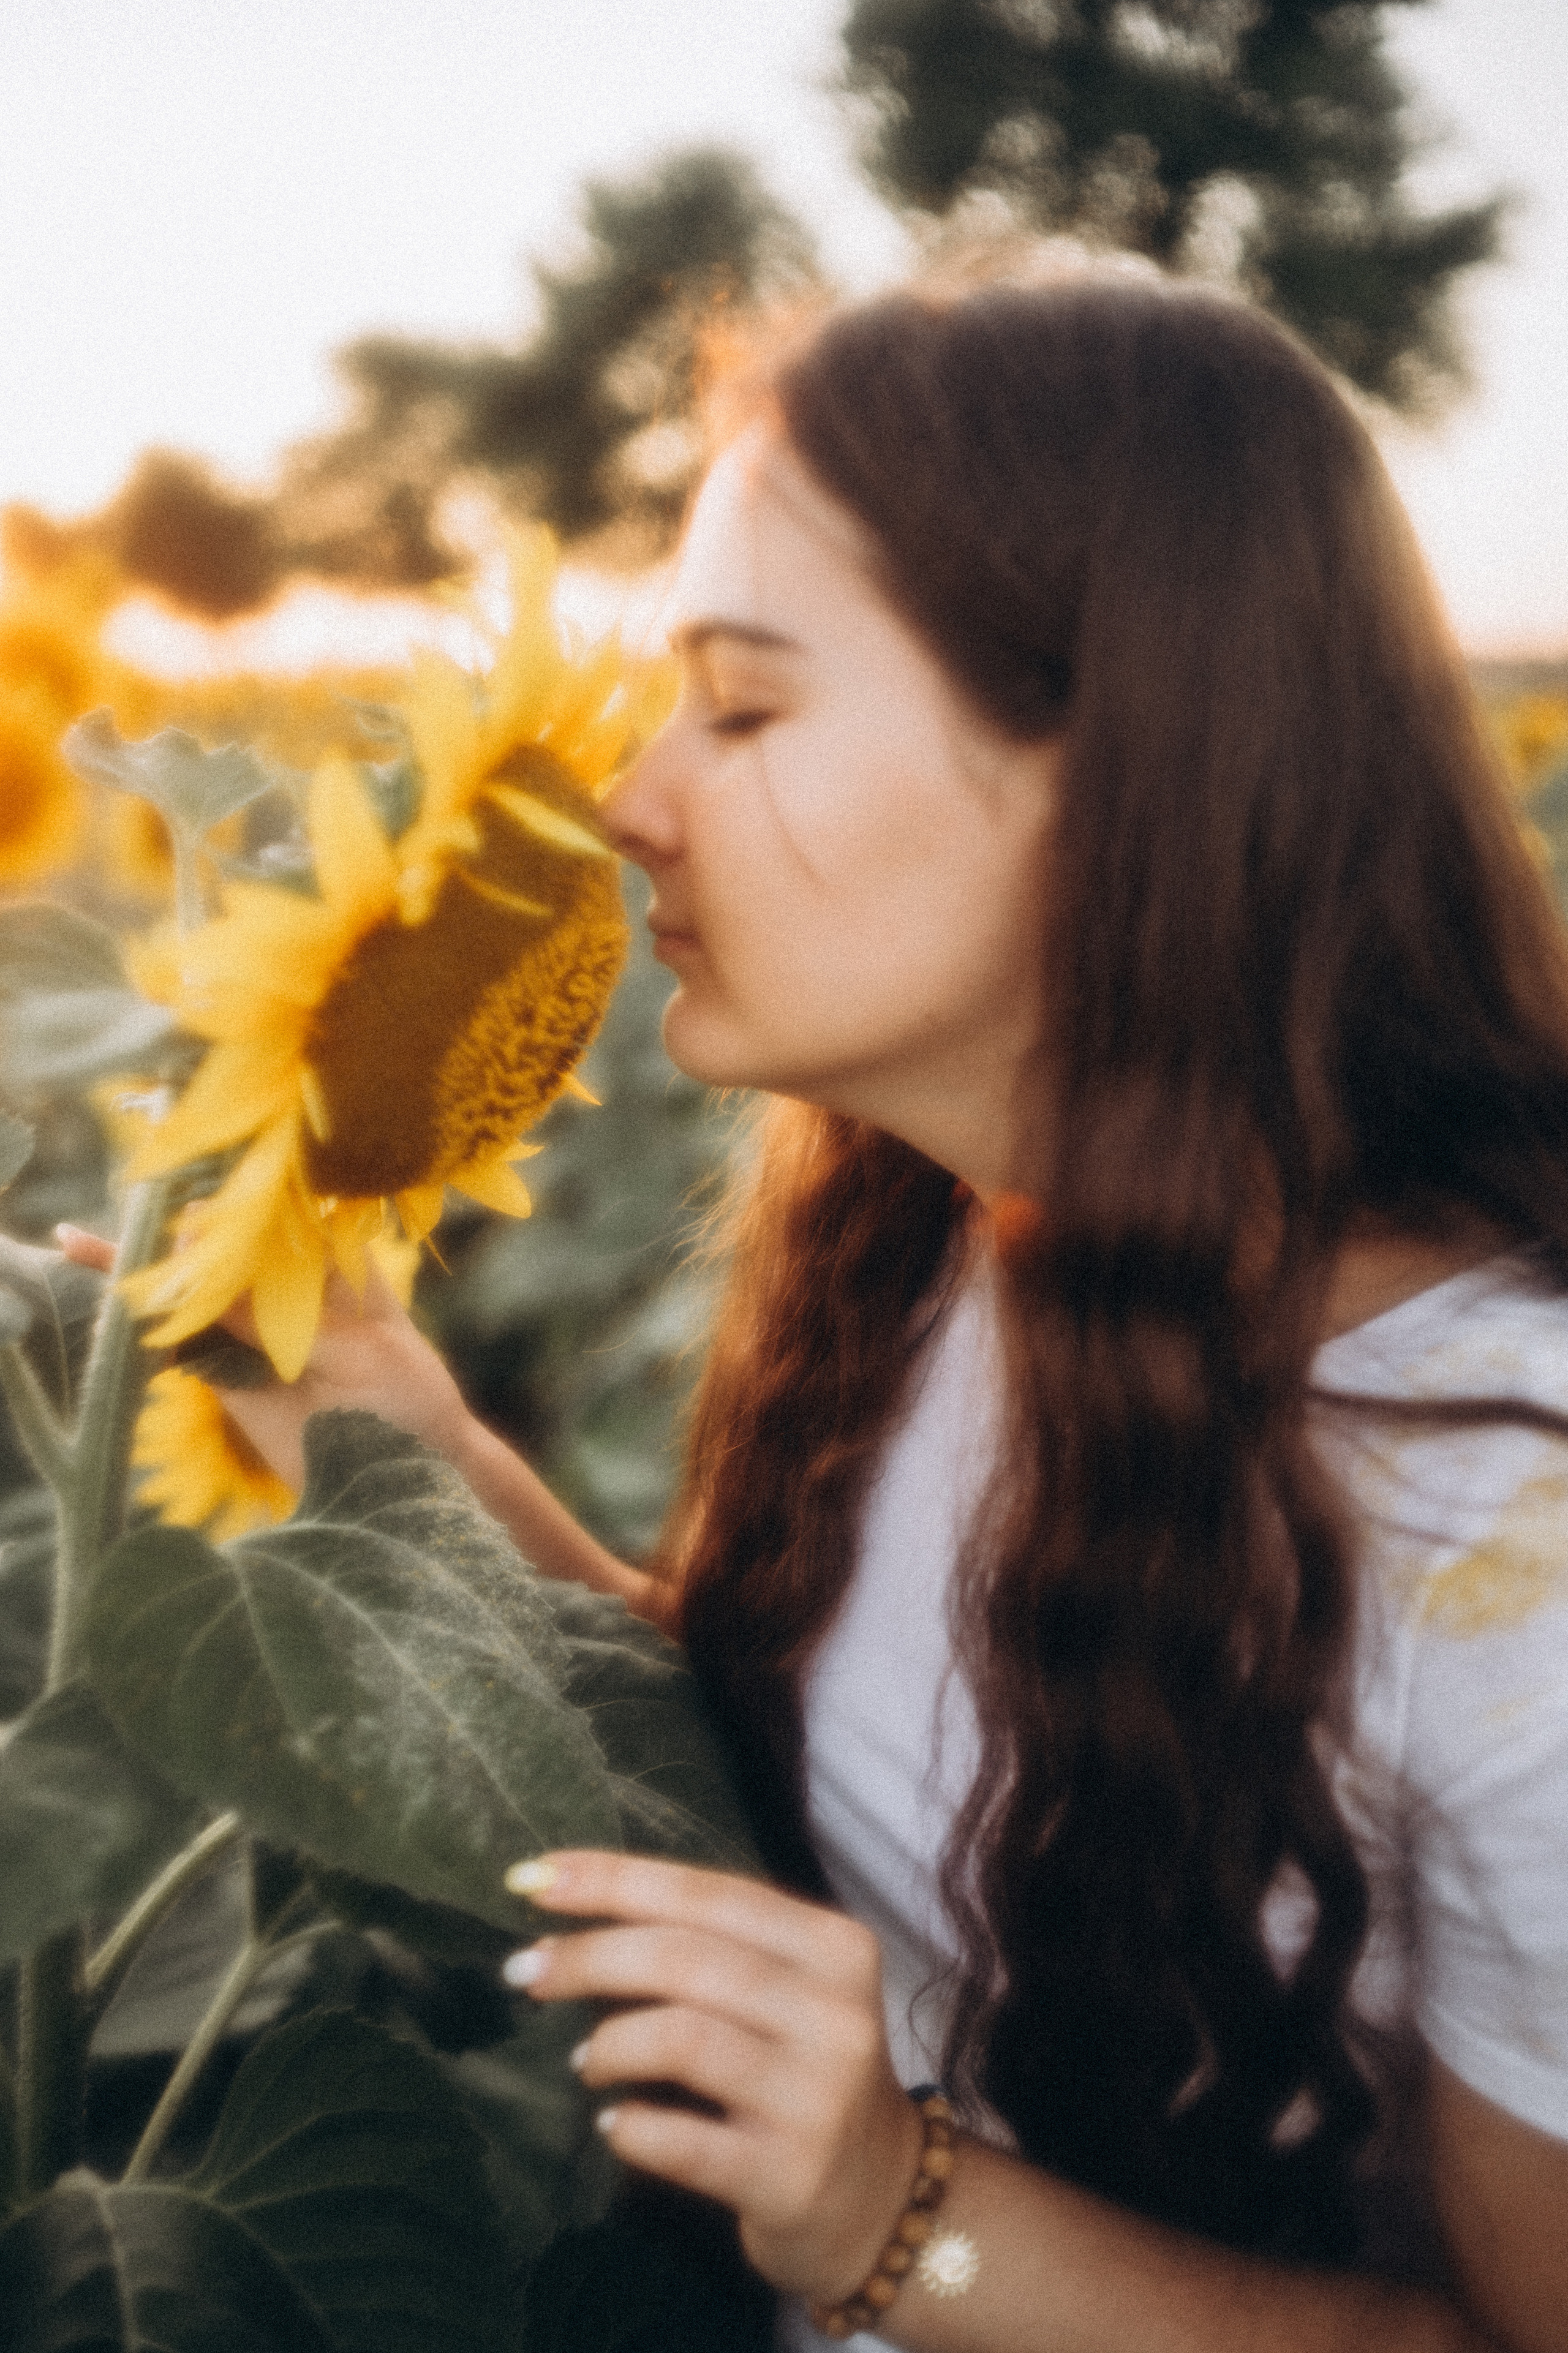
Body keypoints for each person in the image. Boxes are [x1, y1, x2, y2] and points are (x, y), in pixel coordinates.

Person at [66, 276, 1568, 2349]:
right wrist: (430, 1455)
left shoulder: (1512, 1562)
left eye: (745, 709)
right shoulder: (941, 1240)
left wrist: (893, 2204)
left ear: (1122, 772)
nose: (627, 797)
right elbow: (812, 1788)